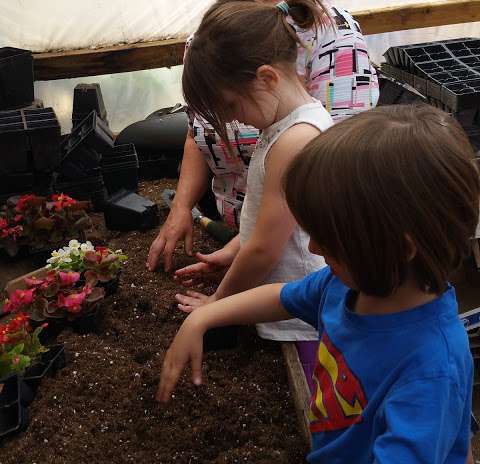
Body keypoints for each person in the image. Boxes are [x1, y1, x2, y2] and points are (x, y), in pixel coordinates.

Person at [157, 104, 479, 463]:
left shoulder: (429, 373)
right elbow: (280, 296)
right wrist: (203, 317)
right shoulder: (346, 286)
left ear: (400, 248)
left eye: (329, 239)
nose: (313, 247)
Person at [146, 0, 379, 275]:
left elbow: (336, 164)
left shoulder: (330, 37)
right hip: (248, 242)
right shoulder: (207, 42)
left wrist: (248, 247)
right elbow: (198, 129)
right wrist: (181, 207)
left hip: (313, 252)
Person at [176, 0, 333, 359]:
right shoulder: (282, 126)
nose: (230, 118)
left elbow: (265, 249)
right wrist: (234, 249)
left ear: (266, 78)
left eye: (230, 105)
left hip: (301, 319)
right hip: (283, 303)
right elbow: (268, 225)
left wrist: (216, 305)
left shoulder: (295, 140)